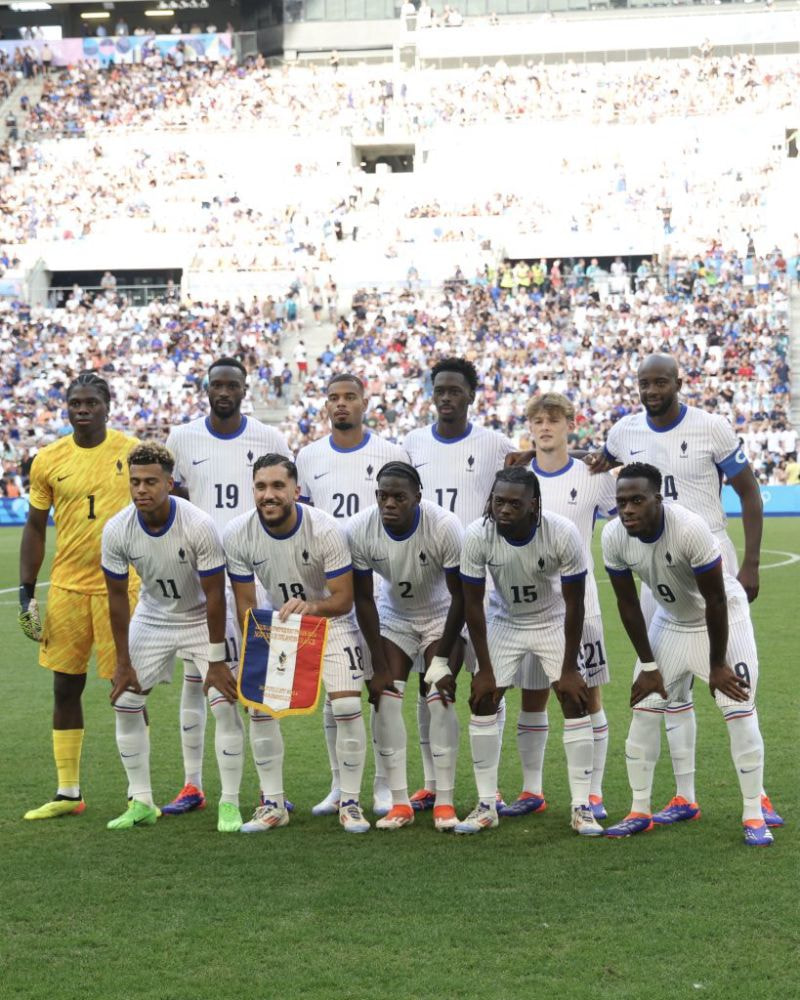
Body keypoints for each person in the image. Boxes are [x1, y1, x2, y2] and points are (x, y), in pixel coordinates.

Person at [588, 353, 781, 827]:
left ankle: (757, 797)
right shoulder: (624, 431)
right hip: (654, 568)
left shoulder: (711, 427)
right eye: (644, 383)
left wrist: (751, 562)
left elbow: (749, 491)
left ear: (678, 382)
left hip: (708, 555)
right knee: (666, 690)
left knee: (734, 686)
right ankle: (683, 795)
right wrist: (534, 458)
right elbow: (595, 464)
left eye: (660, 383)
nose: (651, 391)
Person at [601, 463, 774, 846]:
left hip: (724, 616)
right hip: (671, 621)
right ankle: (640, 810)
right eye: (621, 501)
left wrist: (717, 665)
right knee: (644, 707)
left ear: (657, 499)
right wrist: (648, 666)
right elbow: (628, 604)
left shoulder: (689, 528)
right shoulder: (613, 535)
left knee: (738, 706)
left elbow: (715, 599)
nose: (627, 509)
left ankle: (753, 813)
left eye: (637, 500)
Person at [161, 357, 291, 816]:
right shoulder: (182, 437)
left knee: (261, 684)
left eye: (231, 385)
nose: (223, 391)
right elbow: (173, 497)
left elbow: (287, 497)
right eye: (216, 384)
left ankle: (271, 790)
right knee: (197, 679)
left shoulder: (269, 438)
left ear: (243, 390)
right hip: (203, 580)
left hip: (256, 577)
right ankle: (192, 784)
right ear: (206, 389)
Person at [223, 454, 371, 834]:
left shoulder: (325, 529)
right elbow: (245, 605)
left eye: (278, 486)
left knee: (348, 705)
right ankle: (273, 805)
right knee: (259, 708)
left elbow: (344, 599)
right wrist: (253, 653)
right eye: (260, 487)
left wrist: (312, 608)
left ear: (296, 490)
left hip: (329, 620)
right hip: (278, 623)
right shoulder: (238, 533)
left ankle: (350, 802)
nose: (268, 494)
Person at [102, 442, 243, 832]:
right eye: (135, 482)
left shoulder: (198, 524)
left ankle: (229, 803)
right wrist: (122, 662)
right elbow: (117, 599)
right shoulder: (117, 529)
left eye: (151, 482)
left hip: (201, 616)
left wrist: (216, 660)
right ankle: (141, 801)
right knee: (125, 700)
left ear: (169, 483)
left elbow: (215, 595)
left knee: (224, 703)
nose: (141, 489)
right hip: (154, 616)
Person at [457, 466, 601, 836]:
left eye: (514, 504)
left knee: (575, 699)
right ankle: (486, 804)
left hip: (552, 619)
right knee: (483, 700)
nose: (504, 509)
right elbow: (472, 604)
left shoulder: (562, 532)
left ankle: (581, 807)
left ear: (534, 505)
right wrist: (484, 669)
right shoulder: (477, 534)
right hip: (504, 619)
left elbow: (575, 603)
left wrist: (569, 668)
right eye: (498, 501)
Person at [20, 373, 138, 821]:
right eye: (75, 403)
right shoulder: (48, 459)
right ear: (66, 407)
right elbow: (35, 527)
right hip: (67, 587)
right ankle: (68, 792)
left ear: (108, 405)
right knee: (65, 686)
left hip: (120, 588)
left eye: (91, 402)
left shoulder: (132, 452)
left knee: (127, 687)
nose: (83, 409)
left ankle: (139, 794)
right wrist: (27, 592)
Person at [403, 357, 515, 812]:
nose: (446, 397)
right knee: (431, 682)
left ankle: (492, 786)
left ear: (471, 395)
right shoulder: (412, 443)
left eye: (455, 390)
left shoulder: (496, 444)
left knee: (489, 681)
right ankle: (432, 782)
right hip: (434, 586)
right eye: (440, 390)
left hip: (485, 581)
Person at [295, 373, 408, 818]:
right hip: (330, 590)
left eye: (350, 397)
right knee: (336, 694)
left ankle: (383, 785)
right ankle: (339, 784)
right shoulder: (308, 456)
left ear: (365, 403)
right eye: (333, 398)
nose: (341, 404)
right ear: (325, 405)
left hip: (378, 590)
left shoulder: (391, 453)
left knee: (381, 690)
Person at [501, 393, 617, 821]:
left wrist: (597, 456)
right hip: (529, 607)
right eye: (538, 421)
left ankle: (593, 792)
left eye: (553, 420)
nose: (545, 427)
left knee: (588, 695)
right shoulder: (518, 479)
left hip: (580, 605)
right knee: (532, 697)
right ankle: (532, 789)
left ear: (571, 424)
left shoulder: (594, 476)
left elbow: (625, 510)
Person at [348, 462, 465, 832]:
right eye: (383, 496)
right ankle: (400, 802)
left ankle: (444, 801)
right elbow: (363, 598)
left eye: (399, 497)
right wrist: (379, 665)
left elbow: (461, 596)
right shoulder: (360, 529)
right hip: (394, 616)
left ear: (417, 497)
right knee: (385, 698)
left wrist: (441, 659)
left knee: (439, 697)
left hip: (441, 614)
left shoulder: (444, 526)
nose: (389, 504)